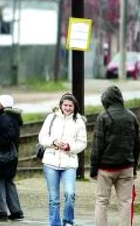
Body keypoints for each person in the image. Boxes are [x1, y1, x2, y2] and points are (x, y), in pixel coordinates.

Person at [90, 86, 140, 226]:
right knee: (125, 203)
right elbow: (137, 145)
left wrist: (93, 170)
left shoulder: (103, 117)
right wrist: (134, 167)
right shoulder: (131, 116)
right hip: (126, 167)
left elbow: (97, 146)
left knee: (101, 201)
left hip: (106, 169)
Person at [38, 93, 87, 226]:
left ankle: (68, 221)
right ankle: (54, 223)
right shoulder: (51, 118)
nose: (67, 107)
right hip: (50, 162)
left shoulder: (79, 121)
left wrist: (69, 147)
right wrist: (53, 142)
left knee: (70, 194)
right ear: (61, 105)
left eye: (70, 105)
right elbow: (42, 138)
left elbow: (82, 143)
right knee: (54, 198)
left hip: (69, 163)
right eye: (65, 105)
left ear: (74, 107)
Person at [0, 94, 24, 221]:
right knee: (8, 183)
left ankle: (0, 211)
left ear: (5, 104)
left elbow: (7, 137)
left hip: (1, 156)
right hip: (10, 157)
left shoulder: (4, 118)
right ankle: (16, 211)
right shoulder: (12, 117)